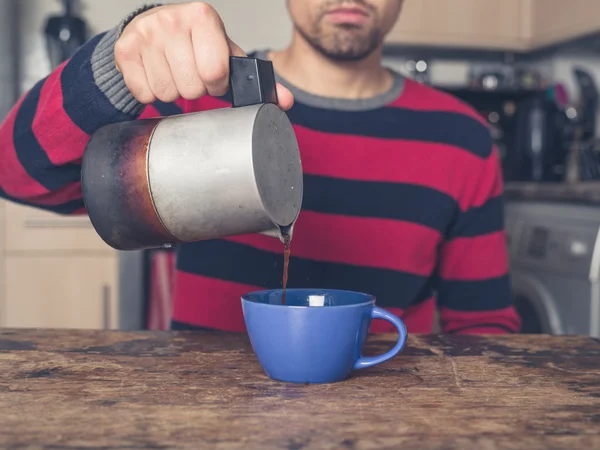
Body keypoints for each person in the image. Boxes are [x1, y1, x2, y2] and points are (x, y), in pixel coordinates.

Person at [0, 0, 521, 334]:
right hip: (203, 419)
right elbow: (15, 175)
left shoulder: (462, 138)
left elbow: (483, 325)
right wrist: (114, 66)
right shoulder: (198, 99)